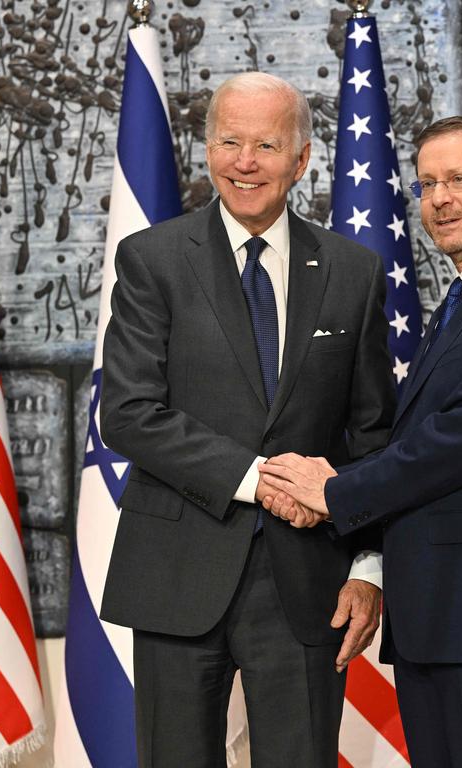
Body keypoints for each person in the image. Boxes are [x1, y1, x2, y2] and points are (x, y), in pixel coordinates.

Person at [260, 115, 462, 768]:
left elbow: (461, 439)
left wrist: (331, 491)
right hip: (440, 620)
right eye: (428, 183)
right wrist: (371, 560)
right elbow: (423, 444)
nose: (439, 199)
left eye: (460, 179)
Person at [97, 71, 396, 768]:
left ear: (301, 159)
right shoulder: (154, 260)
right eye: (229, 141)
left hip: (307, 585)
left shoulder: (353, 272)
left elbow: (375, 434)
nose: (244, 162)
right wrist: (256, 479)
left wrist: (370, 565)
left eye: (266, 144)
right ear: (207, 151)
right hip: (175, 575)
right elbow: (129, 413)